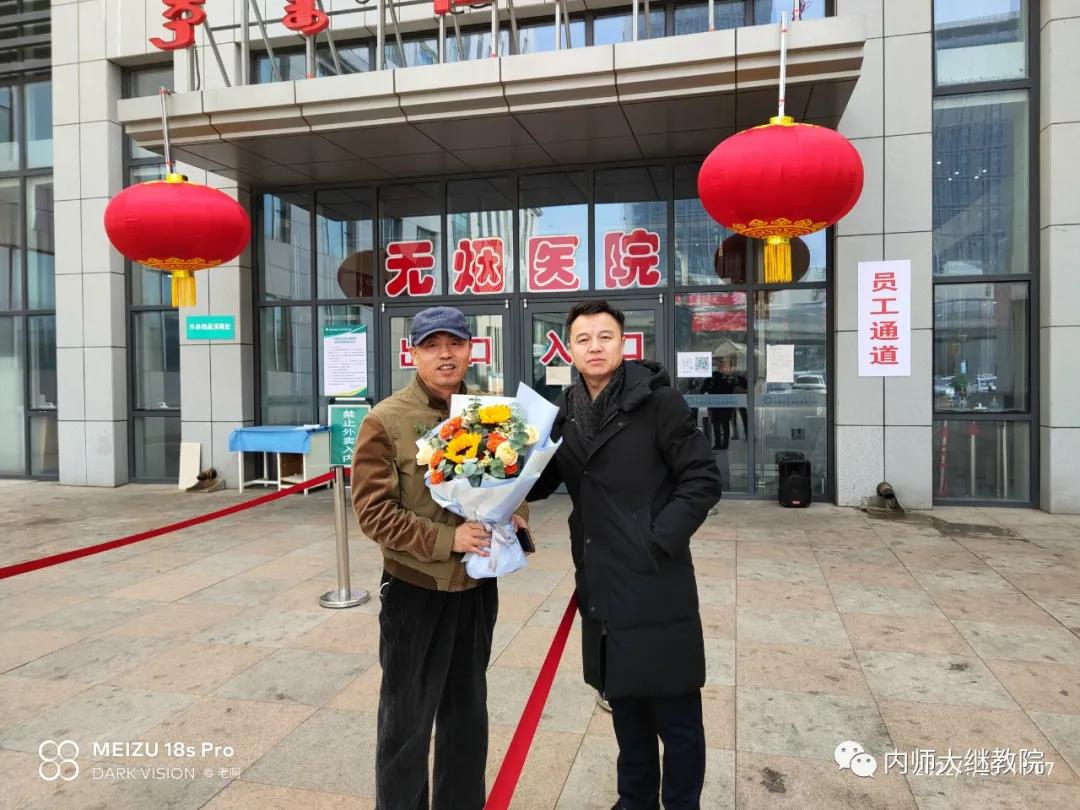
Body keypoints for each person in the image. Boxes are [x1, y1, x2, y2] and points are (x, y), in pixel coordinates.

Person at [528, 301, 722, 810]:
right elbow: (542, 480)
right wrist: (498, 474)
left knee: (677, 716)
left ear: (623, 343)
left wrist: (658, 538)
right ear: (569, 350)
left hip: (656, 580)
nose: (594, 347)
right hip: (601, 582)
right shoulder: (565, 413)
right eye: (583, 339)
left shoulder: (660, 403)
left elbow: (702, 477)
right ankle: (634, 800)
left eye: (605, 337)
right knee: (626, 709)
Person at [351, 305, 529, 810]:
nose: (445, 355)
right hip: (416, 592)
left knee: (467, 717)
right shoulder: (385, 420)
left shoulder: (489, 414)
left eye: (455, 343)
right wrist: (446, 540)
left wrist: (516, 515)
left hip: (476, 590)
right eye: (432, 345)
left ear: (472, 349)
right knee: (406, 723)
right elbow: (373, 513)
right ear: (414, 354)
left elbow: (512, 483)